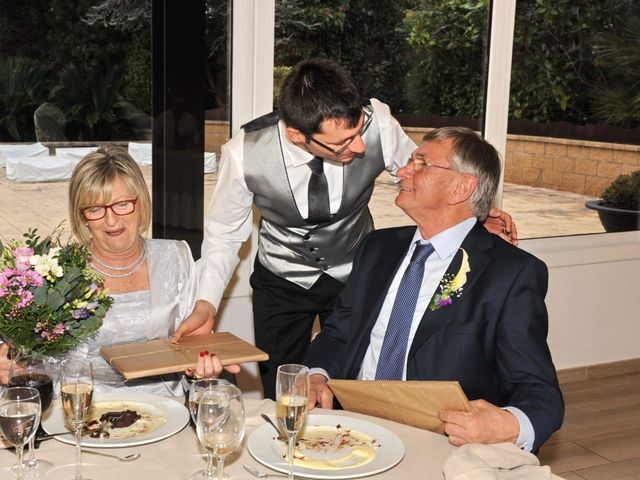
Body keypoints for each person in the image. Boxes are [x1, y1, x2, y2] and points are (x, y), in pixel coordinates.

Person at [178, 59, 517, 400]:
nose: (358, 148)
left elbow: (427, 178)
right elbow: (224, 235)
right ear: (297, 135)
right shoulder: (243, 154)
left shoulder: (378, 123)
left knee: (348, 381)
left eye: (358, 132)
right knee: (286, 388)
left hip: (357, 274)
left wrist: (475, 213)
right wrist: (206, 304)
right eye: (343, 142)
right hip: (282, 280)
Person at [305, 127, 563, 452]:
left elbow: (540, 392)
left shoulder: (510, 274)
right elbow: (337, 335)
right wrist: (317, 376)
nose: (402, 171)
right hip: (352, 428)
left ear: (461, 187)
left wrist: (509, 425)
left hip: (440, 444)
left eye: (421, 163)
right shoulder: (377, 248)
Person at [1, 146, 238, 392]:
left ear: (141, 202)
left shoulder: (175, 256)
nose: (111, 220)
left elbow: (192, 346)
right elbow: (26, 355)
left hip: (166, 409)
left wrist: (199, 366)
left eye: (122, 204)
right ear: (81, 216)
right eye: (95, 209)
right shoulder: (57, 271)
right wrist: (11, 364)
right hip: (80, 407)